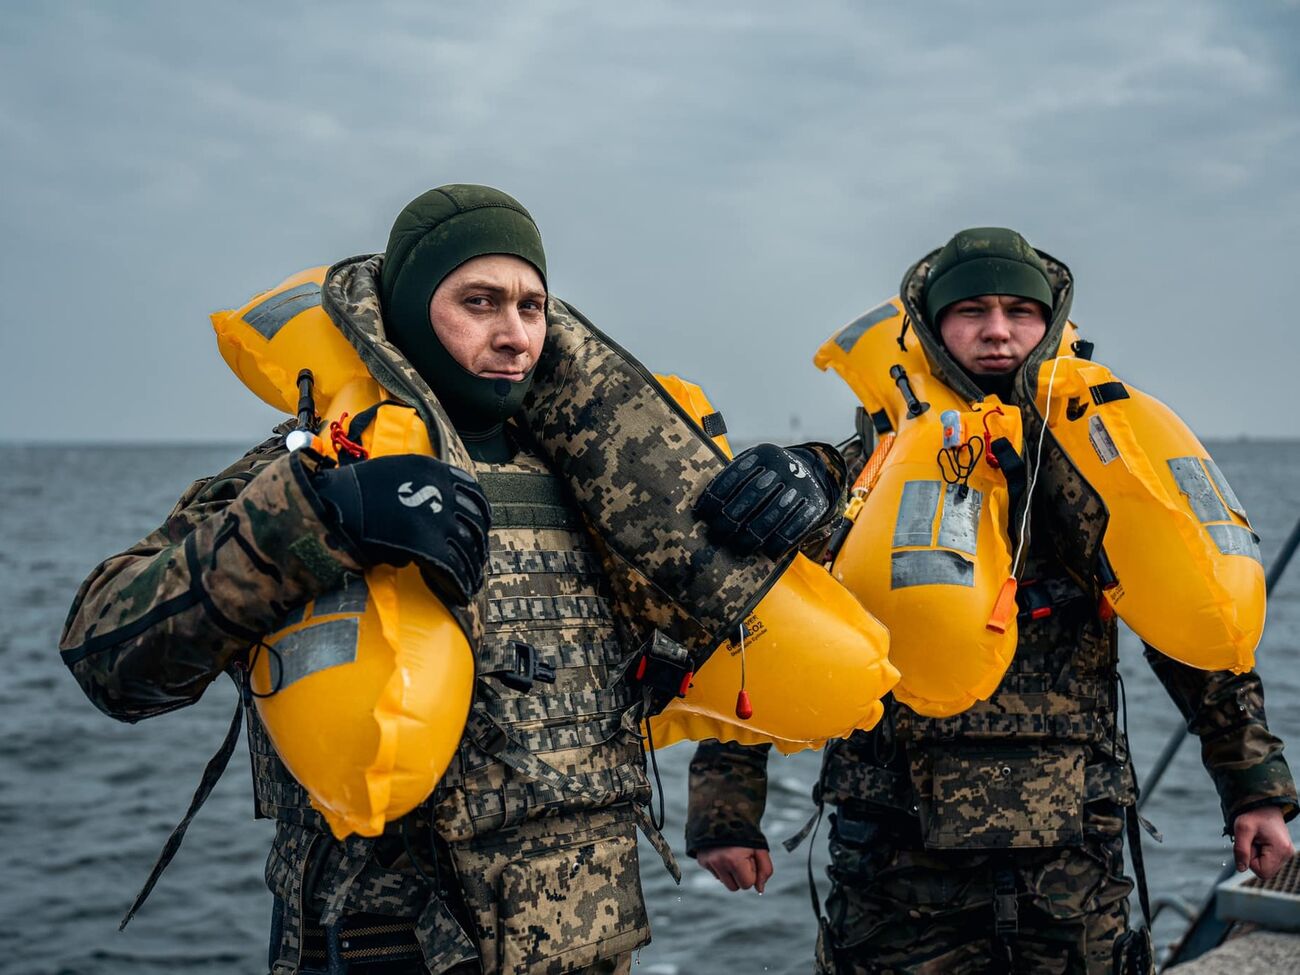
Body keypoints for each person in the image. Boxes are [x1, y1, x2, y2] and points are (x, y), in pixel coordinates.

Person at [59, 184, 843, 975]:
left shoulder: (599, 487)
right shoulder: (320, 469)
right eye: (479, 302)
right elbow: (104, 651)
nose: (514, 336)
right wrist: (317, 516)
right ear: (405, 313)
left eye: (533, 307)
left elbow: (830, 575)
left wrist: (814, 475)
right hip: (386, 947)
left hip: (588, 942)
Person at [684, 228, 1297, 974]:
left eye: (1019, 310)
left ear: (1052, 322)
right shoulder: (857, 474)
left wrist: (1253, 790)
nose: (998, 330)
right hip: (896, 866)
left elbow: (1194, 635)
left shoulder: (1104, 468)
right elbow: (764, 630)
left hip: (1072, 861)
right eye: (972, 309)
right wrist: (725, 810)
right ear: (933, 326)